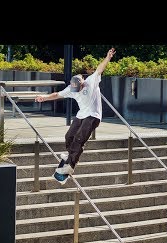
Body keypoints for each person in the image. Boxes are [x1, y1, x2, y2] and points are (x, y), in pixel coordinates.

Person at [35, 48, 116, 184]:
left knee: (79, 139)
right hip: (81, 115)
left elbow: (99, 69)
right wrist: (44, 97)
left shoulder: (91, 82)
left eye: (78, 90)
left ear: (82, 83)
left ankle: (70, 166)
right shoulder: (71, 88)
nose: (76, 92)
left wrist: (107, 58)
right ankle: (70, 155)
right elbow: (57, 94)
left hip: (93, 116)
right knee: (69, 136)